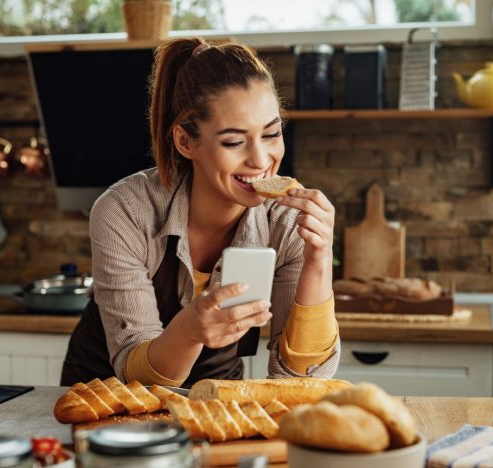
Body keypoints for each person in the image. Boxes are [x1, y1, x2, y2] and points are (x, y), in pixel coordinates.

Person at [61, 38, 340, 388]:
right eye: (234, 142)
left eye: (271, 133)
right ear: (185, 142)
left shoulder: (287, 222)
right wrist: (190, 329)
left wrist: (318, 259)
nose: (260, 160)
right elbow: (137, 375)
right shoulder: (125, 211)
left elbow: (299, 380)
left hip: (215, 393)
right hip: (106, 395)